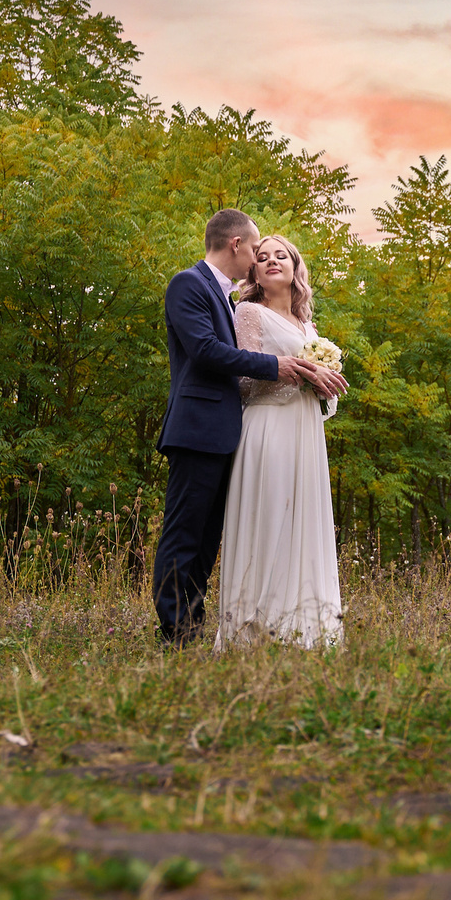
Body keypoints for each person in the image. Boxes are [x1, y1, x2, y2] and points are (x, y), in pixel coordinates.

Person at [152, 209, 344, 644]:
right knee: (185, 536)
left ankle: (190, 630)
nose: (263, 258)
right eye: (259, 250)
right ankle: (174, 636)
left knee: (205, 543)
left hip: (226, 434)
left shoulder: (223, 295)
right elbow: (204, 350)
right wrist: (278, 366)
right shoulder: (190, 284)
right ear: (237, 246)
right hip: (197, 429)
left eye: (277, 255)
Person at [219, 233, 344, 647]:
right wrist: (300, 371)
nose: (272, 260)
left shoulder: (307, 324)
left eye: (281, 255)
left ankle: (302, 630)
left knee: (302, 522)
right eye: (262, 256)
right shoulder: (248, 313)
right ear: (253, 270)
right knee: (270, 518)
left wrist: (322, 386)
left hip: (305, 433)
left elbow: (313, 386)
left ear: (295, 267)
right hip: (268, 428)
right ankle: (253, 632)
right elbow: (241, 381)